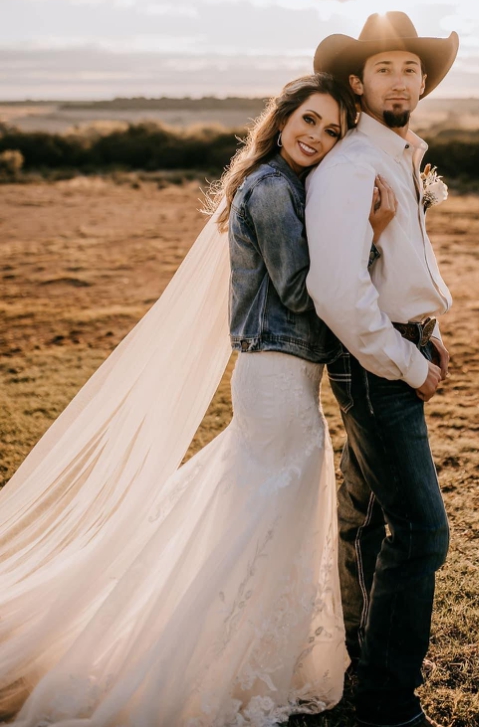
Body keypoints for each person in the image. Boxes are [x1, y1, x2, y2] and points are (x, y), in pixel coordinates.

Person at [0, 73, 395, 725]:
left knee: (256, 519)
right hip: (274, 378)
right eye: (309, 122)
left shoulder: (286, 185)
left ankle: (237, 653)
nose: (317, 138)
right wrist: (371, 236)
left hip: (285, 376)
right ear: (283, 117)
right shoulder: (271, 190)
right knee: (259, 521)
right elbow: (300, 293)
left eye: (331, 131)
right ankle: (205, 657)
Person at [307, 11, 458, 727]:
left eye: (410, 68)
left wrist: (427, 330)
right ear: (357, 83)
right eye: (384, 69)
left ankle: (360, 662)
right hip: (375, 365)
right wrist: (403, 359)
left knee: (365, 520)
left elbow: (388, 263)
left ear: (422, 81)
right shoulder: (350, 167)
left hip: (404, 345)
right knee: (423, 533)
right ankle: (388, 705)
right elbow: (337, 290)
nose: (400, 79)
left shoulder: (400, 155)